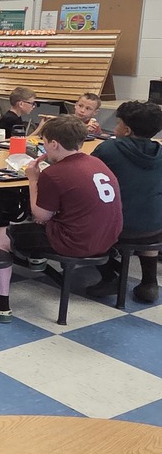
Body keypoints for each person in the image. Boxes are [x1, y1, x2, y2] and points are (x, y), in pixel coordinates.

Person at [0, 116, 123, 324]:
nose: (44, 147)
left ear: (54, 144)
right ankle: (35, 257)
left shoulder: (56, 173)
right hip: (109, 238)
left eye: (45, 142)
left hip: (76, 242)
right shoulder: (97, 162)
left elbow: (40, 214)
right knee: (45, 222)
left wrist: (33, 179)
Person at [85, 101, 162, 304]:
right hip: (155, 227)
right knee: (147, 211)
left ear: (127, 130)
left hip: (118, 228)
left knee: (78, 220)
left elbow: (85, 175)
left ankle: (110, 276)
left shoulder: (109, 149)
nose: (115, 128)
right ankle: (149, 281)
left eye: (118, 124)